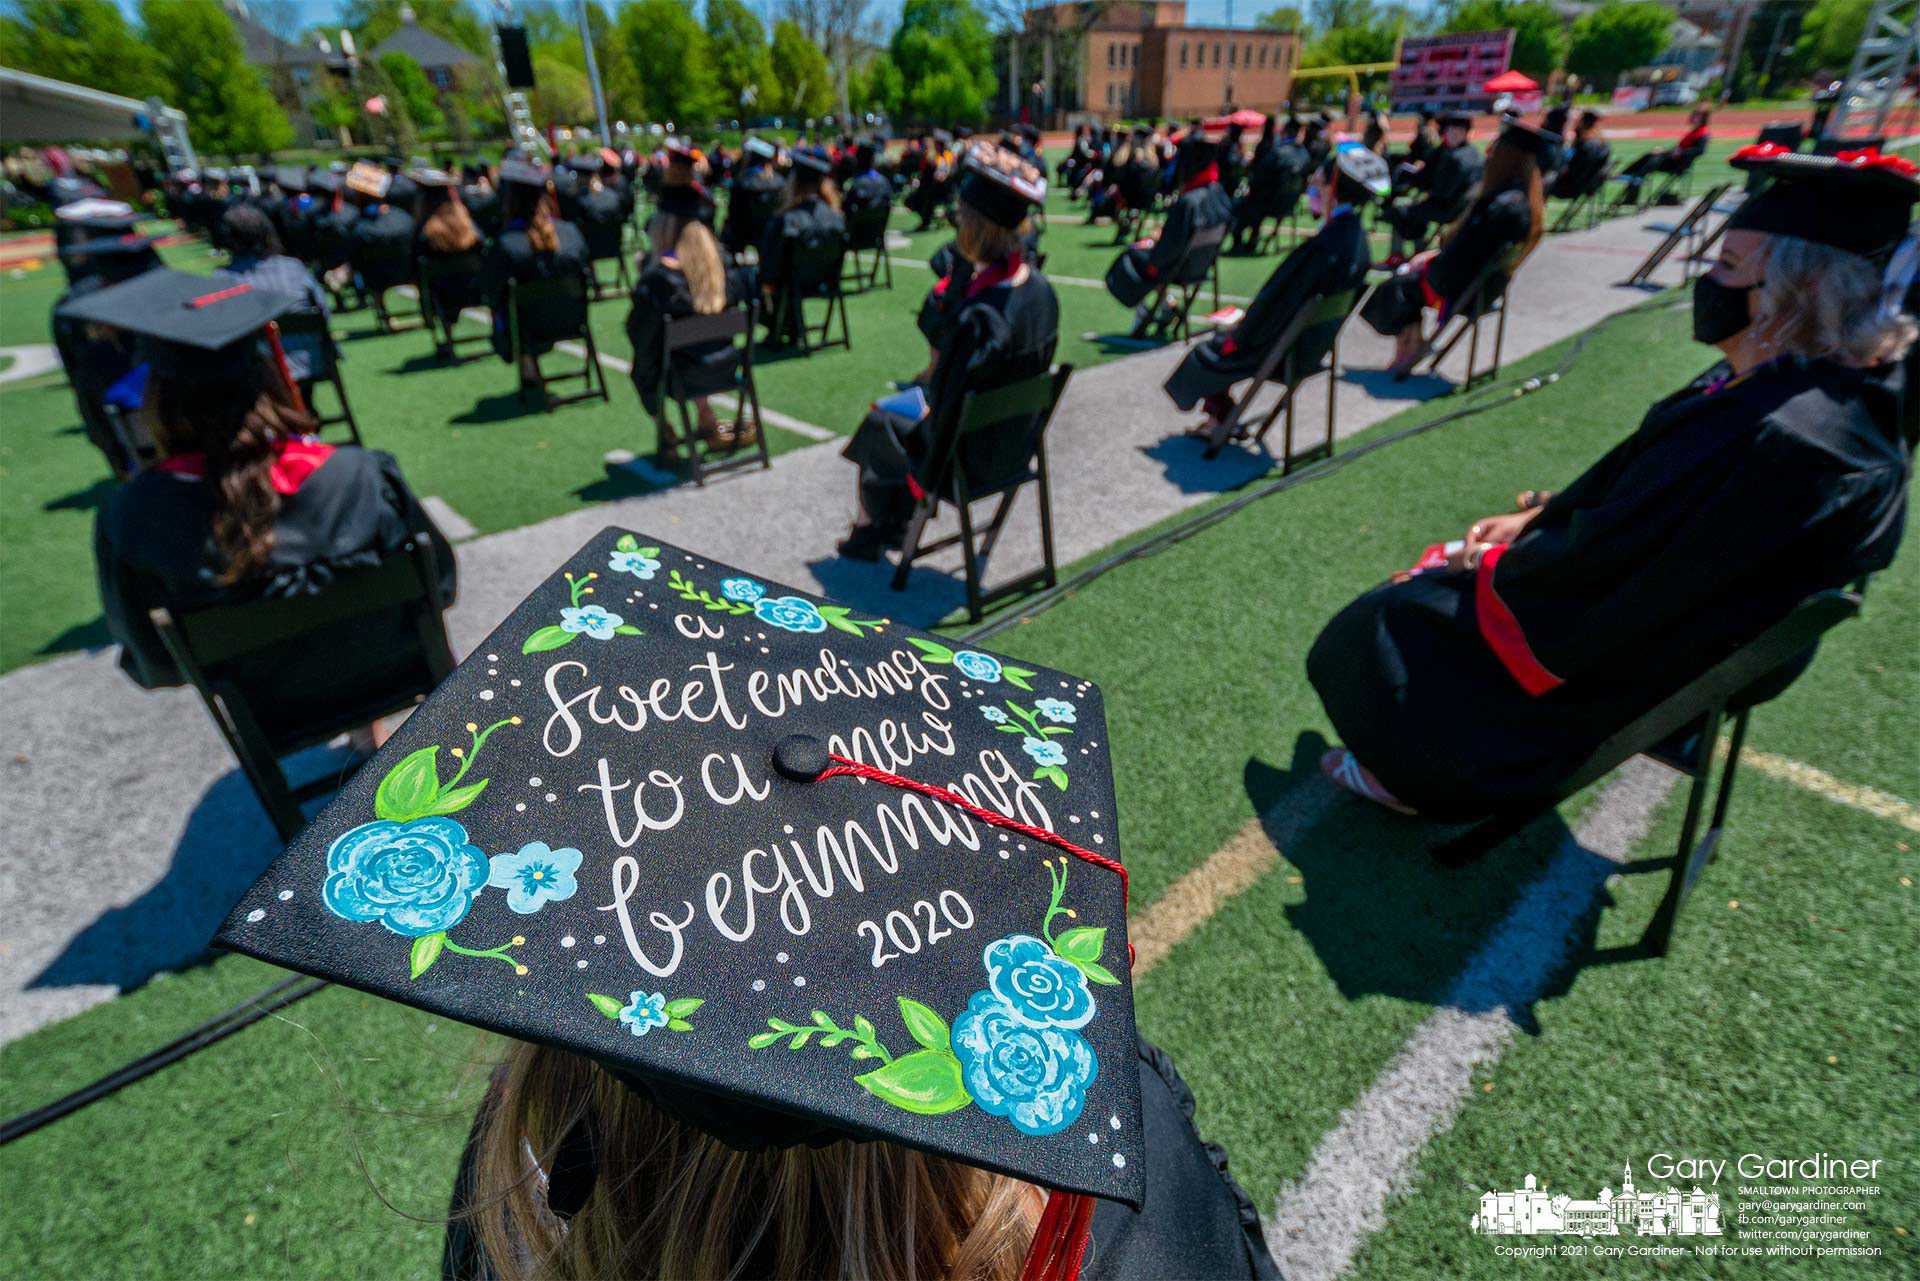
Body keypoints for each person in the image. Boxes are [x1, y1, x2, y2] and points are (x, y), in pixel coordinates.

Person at [1310, 145, 1918, 820]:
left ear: (1792, 295)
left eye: (1726, 266)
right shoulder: (1832, 393)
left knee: (1382, 621)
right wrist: (1541, 517)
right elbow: (1649, 504)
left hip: (1624, 663)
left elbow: (1590, 581)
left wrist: (1481, 569)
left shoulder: (1774, 438)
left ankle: (1416, 773)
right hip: (1685, 631)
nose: (1708, 282)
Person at [82, 270, 455, 743]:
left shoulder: (133, 516)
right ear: (269, 378)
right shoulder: (361, 475)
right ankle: (367, 729)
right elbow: (439, 585)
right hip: (396, 676)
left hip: (275, 714)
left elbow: (155, 662)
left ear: (157, 402)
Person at [838, 143, 1059, 561]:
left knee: (881, 417)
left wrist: (925, 470)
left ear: (971, 229)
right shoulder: (1041, 292)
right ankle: (888, 522)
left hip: (965, 460)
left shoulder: (979, 319)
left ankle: (872, 528)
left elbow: (944, 408)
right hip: (1016, 443)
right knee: (899, 413)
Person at [1166, 143, 1389, 444]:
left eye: (1318, 181)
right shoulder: (1356, 240)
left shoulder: (1323, 248)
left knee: (1208, 350)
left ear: (1332, 188)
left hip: (1279, 352)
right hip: (1310, 348)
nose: (1313, 186)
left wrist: (1239, 333)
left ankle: (1219, 420)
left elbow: (1273, 303)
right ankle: (1224, 416)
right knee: (1228, 338)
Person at [1362, 116, 1548, 379]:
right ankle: (1414, 342)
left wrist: (1425, 263)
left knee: (1396, 287)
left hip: (1460, 288)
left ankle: (1409, 346)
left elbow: (1459, 257)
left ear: (1507, 158)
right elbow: (1473, 252)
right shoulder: (1524, 203)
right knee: (1410, 278)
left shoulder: (1499, 206)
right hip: (1487, 288)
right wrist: (1433, 256)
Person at [624, 175, 754, 463]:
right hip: (727, 366)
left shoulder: (658, 279)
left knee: (647, 363)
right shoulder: (722, 268)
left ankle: (666, 430)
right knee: (694, 344)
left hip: (680, 377)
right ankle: (707, 417)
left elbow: (638, 332)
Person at [1104, 128, 1234, 336]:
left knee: (1132, 256)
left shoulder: (1189, 202)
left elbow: (1168, 249)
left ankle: (1144, 313)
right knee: (1150, 255)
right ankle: (1166, 305)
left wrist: (1154, 245)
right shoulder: (1218, 193)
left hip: (1179, 267)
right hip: (1204, 263)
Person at [480, 159, 592, 387]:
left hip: (527, 330)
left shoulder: (506, 245)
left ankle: (527, 363)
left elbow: (490, 292)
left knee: (507, 308)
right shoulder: (569, 233)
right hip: (572, 320)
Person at [212, 204, 330, 388]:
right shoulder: (294, 267)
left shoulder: (223, 278)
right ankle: (305, 407)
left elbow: (223, 329)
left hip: (259, 370)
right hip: (310, 359)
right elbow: (324, 311)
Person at [757, 147, 845, 345]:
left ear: (794, 182)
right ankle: (791, 325)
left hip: (791, 284)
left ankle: (781, 327)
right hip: (826, 281)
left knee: (757, 280)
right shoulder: (836, 218)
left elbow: (770, 264)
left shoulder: (786, 221)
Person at [1380, 113, 1482, 267]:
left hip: (1448, 210)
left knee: (1399, 211)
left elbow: (1440, 191)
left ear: (1466, 132)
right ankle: (1417, 251)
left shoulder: (1453, 157)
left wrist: (1423, 185)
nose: (1451, 134)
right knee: (1417, 211)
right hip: (1464, 209)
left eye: (1457, 131)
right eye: (1450, 130)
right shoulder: (1475, 153)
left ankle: (1397, 255)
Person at [411, 169, 486, 356]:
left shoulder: (423, 234)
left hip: (443, 298)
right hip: (476, 290)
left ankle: (448, 338)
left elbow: (416, 267)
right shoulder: (468, 226)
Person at [342, 162, 416, 318]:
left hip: (377, 277)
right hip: (410, 271)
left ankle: (381, 310)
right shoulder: (403, 217)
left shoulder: (358, 227)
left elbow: (355, 259)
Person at [1229, 114, 1309, 253]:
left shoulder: (1279, 153)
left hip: (1271, 204)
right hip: (1290, 203)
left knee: (1241, 205)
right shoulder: (1304, 154)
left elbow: (1260, 177)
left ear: (1285, 131)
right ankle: (1253, 239)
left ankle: (1238, 243)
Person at [1620, 106, 1711, 205]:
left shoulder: (1703, 133)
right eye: (1693, 115)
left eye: (1696, 116)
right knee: (1649, 155)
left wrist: (1680, 152)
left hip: (1679, 165)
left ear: (1703, 118)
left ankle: (1629, 178)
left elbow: (1700, 150)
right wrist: (1664, 150)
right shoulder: (1693, 131)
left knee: (1650, 162)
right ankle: (1629, 177)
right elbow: (1679, 147)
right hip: (1673, 160)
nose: (1692, 117)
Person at [722, 136, 786, 258]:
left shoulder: (742, 182)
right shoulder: (779, 182)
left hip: (742, 233)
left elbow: (733, 212)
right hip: (769, 233)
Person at [1549, 111, 1612, 202]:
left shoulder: (1583, 147)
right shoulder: (1604, 146)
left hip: (1568, 189)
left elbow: (1569, 168)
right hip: (1590, 187)